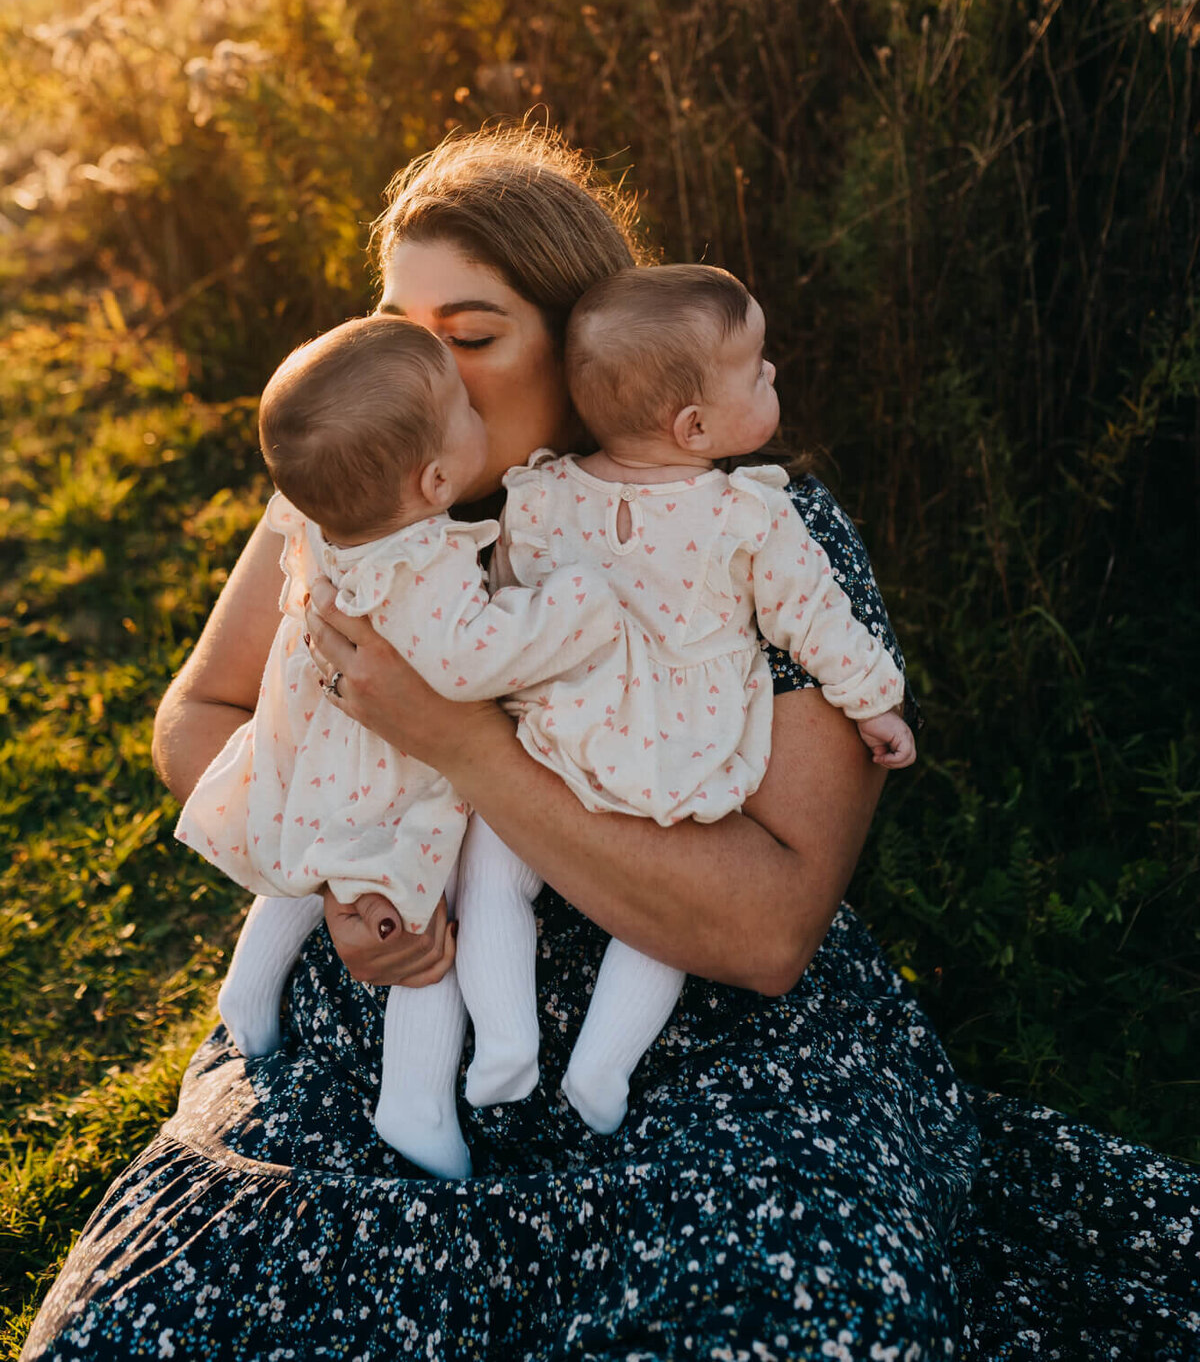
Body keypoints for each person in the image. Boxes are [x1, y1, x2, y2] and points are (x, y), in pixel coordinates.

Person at [22, 125, 1200, 1361]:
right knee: (143, 1332)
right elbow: (197, 717)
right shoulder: (355, 494)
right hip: (394, 992)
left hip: (696, 1034)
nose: (415, 366)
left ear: (584, 344)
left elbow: (769, 926)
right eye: (395, 323)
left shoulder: (745, 531)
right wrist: (348, 875)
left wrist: (467, 749)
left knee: (798, 1315)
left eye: (469, 336)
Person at [459, 262, 915, 1136]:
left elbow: (507, 602)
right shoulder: (751, 516)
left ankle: (504, 1040)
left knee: (493, 874)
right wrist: (873, 701)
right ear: (695, 424)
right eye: (758, 368)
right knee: (662, 920)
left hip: (557, 733)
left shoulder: (543, 494)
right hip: (678, 749)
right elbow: (815, 623)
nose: (774, 373)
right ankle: (602, 1066)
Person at [174, 314, 623, 1177]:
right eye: (453, 397)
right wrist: (577, 607)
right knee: (420, 932)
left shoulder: (328, 522)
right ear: (435, 477)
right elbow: (474, 656)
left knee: (312, 858)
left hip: (322, 757)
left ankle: (248, 990)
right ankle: (414, 1103)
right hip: (400, 776)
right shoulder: (425, 562)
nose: (465, 394)